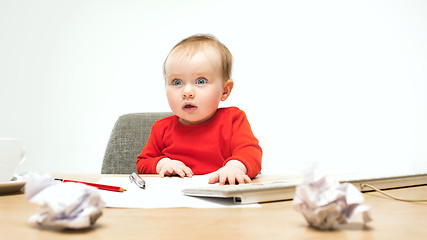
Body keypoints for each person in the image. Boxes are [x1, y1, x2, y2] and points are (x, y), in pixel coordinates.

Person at [136, 34, 262, 185]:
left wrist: (235, 167)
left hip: (219, 196)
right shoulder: (161, 128)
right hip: (175, 200)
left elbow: (251, 152)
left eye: (200, 81)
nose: (187, 92)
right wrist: (163, 164)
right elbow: (143, 162)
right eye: (177, 82)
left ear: (225, 90)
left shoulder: (233, 119)